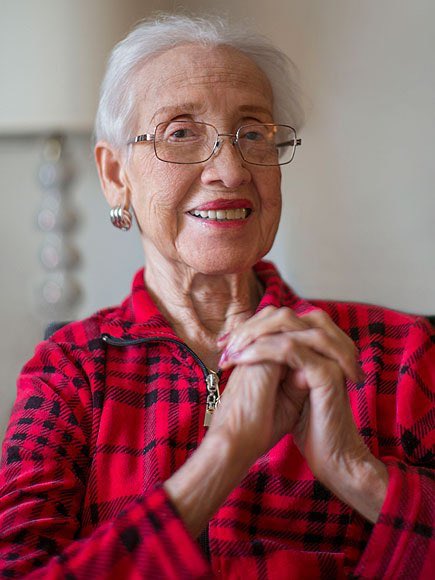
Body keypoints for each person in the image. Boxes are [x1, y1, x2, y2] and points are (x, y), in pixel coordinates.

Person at [0, 14, 433, 579]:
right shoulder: (71, 371)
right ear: (115, 175)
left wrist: (358, 473)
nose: (230, 170)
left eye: (253, 134)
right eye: (181, 133)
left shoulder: (397, 353)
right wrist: (223, 456)